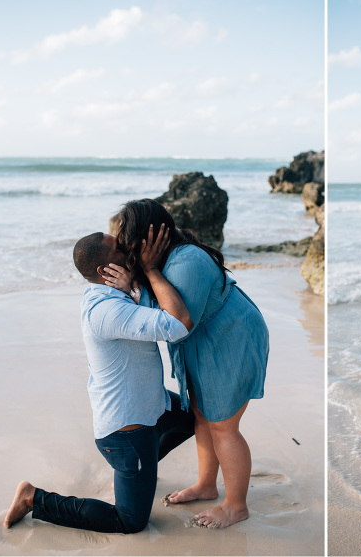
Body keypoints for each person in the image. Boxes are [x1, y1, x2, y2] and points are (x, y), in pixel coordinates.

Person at [4, 225, 197, 533]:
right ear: (102, 269)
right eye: (120, 250)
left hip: (152, 405)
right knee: (131, 521)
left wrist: (134, 285)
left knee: (192, 417)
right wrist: (149, 270)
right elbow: (178, 324)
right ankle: (34, 498)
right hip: (128, 431)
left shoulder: (111, 293)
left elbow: (144, 308)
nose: (129, 251)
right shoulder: (107, 310)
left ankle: (135, 473)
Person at [108, 198, 269, 529]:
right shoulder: (171, 256)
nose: (126, 253)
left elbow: (176, 326)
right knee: (200, 415)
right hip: (206, 340)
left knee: (223, 425)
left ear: (151, 238)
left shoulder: (187, 262)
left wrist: (147, 272)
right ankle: (207, 486)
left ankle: (237, 505)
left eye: (129, 243)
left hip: (231, 339)